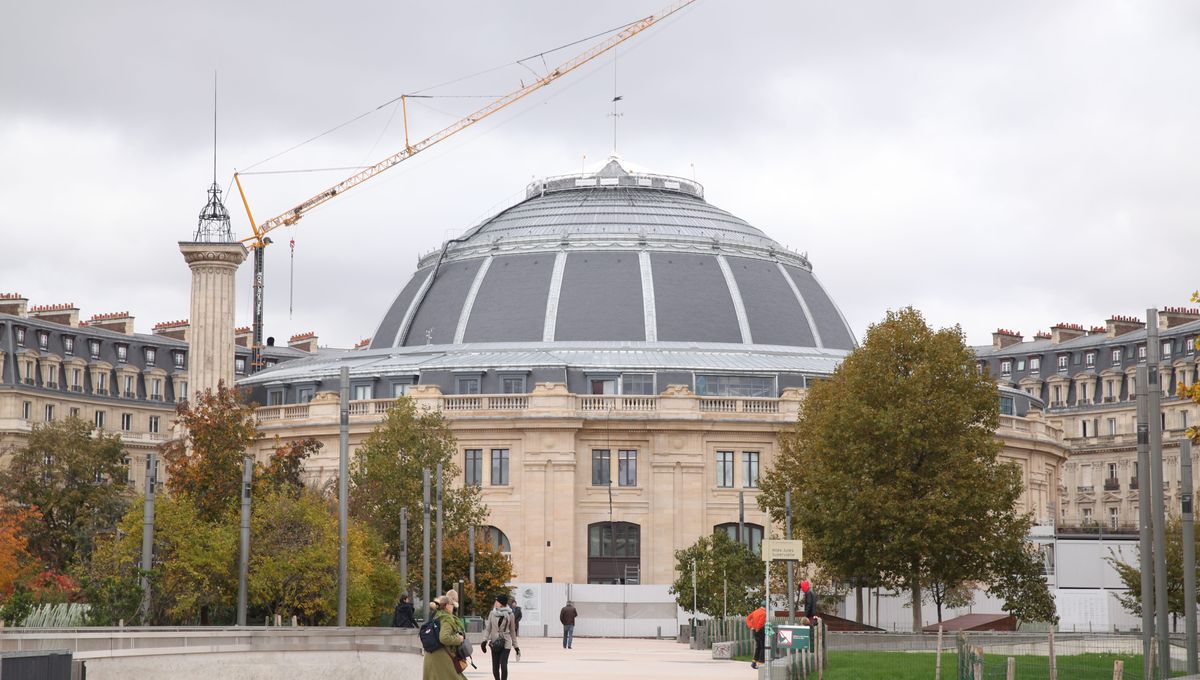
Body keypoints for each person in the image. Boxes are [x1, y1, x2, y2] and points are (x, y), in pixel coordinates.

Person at [422, 595, 467, 680]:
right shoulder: (446, 619)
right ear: (447, 606)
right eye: (452, 604)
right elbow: (444, 638)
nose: (453, 606)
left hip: (431, 655)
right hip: (441, 657)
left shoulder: (436, 616)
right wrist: (459, 639)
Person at [483, 594, 518, 680]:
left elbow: (512, 631)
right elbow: (488, 629)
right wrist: (484, 641)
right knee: (495, 667)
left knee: (503, 665)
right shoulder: (492, 613)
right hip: (495, 642)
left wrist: (516, 646)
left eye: (497, 601)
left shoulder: (510, 614)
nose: (495, 602)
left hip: (506, 642)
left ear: (501, 603)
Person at [745, 606, 766, 670]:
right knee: (763, 647)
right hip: (760, 630)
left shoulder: (755, 611)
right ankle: (761, 663)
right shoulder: (764, 613)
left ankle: (754, 662)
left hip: (755, 630)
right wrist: (758, 628)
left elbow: (747, 618)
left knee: (758, 646)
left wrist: (751, 626)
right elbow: (761, 622)